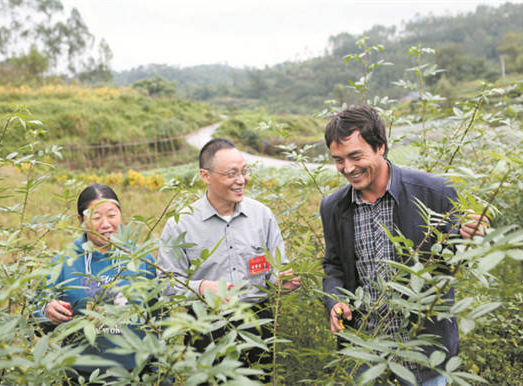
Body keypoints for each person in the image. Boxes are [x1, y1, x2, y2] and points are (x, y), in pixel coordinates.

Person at [320, 105, 487, 385]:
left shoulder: (435, 192)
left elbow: (456, 262)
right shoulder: (333, 207)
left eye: (355, 156)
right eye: (338, 160)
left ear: (381, 147)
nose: (347, 168)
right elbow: (333, 266)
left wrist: (469, 239)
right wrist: (335, 299)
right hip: (366, 352)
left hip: (425, 353)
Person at [158, 138, 301, 374]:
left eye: (244, 172)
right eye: (231, 174)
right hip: (205, 327)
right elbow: (166, 282)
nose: (241, 180)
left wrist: (281, 281)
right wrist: (201, 287)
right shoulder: (181, 224)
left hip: (257, 324)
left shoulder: (261, 215)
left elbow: (277, 268)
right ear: (206, 175)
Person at [34, 183, 156, 384]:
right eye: (96, 217)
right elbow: (35, 313)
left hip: (136, 375)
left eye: (112, 215)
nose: (106, 224)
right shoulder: (64, 263)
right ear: (81, 220)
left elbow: (158, 318)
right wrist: (46, 312)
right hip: (80, 376)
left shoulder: (142, 260)